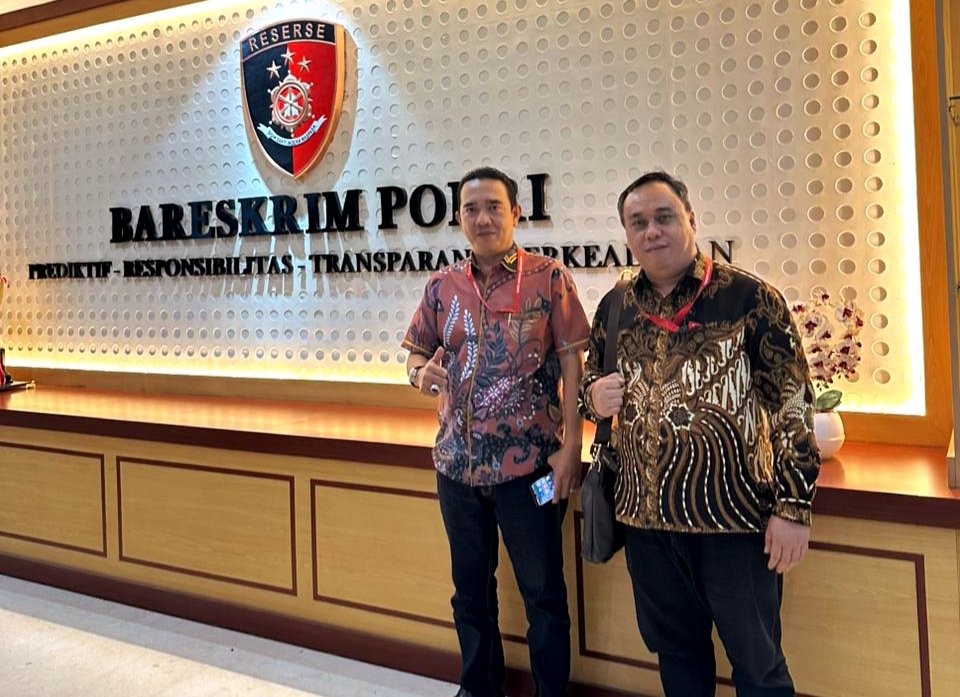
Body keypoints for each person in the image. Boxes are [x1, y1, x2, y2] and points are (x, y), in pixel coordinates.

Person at [580, 170, 820, 697]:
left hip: (733, 524)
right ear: (627, 234)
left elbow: (793, 406)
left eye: (663, 217)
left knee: (759, 669)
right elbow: (589, 384)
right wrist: (592, 398)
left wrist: (793, 507)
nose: (652, 231)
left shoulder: (749, 299)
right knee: (678, 661)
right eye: (638, 222)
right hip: (646, 525)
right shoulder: (617, 307)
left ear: (690, 219)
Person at [402, 167, 590, 697]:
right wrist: (419, 374)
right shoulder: (442, 285)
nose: (482, 218)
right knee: (469, 593)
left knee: (544, 594)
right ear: (459, 218)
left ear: (516, 213)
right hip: (456, 469)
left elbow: (573, 364)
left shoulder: (550, 278)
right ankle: (479, 688)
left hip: (532, 470)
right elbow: (415, 354)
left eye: (493, 207)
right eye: (471, 209)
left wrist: (572, 448)